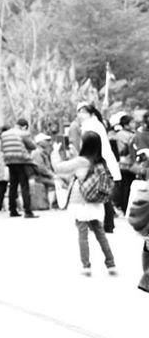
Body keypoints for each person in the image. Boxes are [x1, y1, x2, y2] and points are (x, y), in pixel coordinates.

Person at [51, 131, 117, 276]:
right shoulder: (100, 161)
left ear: (85, 144)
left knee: (82, 234)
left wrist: (55, 152)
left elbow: (59, 168)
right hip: (96, 202)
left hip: (80, 202)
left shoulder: (80, 161)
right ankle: (111, 264)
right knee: (100, 233)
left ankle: (86, 266)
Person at [75, 102, 121, 232]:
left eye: (83, 112)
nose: (80, 115)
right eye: (79, 112)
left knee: (101, 191)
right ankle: (106, 224)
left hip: (98, 162)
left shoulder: (91, 125)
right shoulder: (93, 124)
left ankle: (105, 224)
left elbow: (91, 145)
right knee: (102, 191)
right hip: (99, 161)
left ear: (91, 113)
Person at [0, 118, 38, 218]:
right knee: (24, 185)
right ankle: (28, 211)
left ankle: (12, 210)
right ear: (24, 127)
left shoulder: (4, 134)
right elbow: (32, 146)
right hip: (21, 161)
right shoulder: (23, 133)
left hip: (10, 161)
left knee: (13, 185)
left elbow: (2, 149)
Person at [111, 113, 135, 213]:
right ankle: (125, 207)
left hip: (120, 164)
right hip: (128, 164)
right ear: (125, 124)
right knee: (127, 186)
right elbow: (126, 151)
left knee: (122, 186)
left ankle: (121, 205)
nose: (134, 124)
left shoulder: (117, 135)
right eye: (132, 122)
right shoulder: (128, 135)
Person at [31, 133, 57, 209]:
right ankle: (56, 204)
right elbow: (40, 167)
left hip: (43, 176)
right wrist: (52, 175)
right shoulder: (37, 153)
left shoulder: (43, 152)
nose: (49, 142)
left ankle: (55, 203)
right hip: (39, 177)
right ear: (40, 142)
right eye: (46, 140)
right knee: (58, 184)